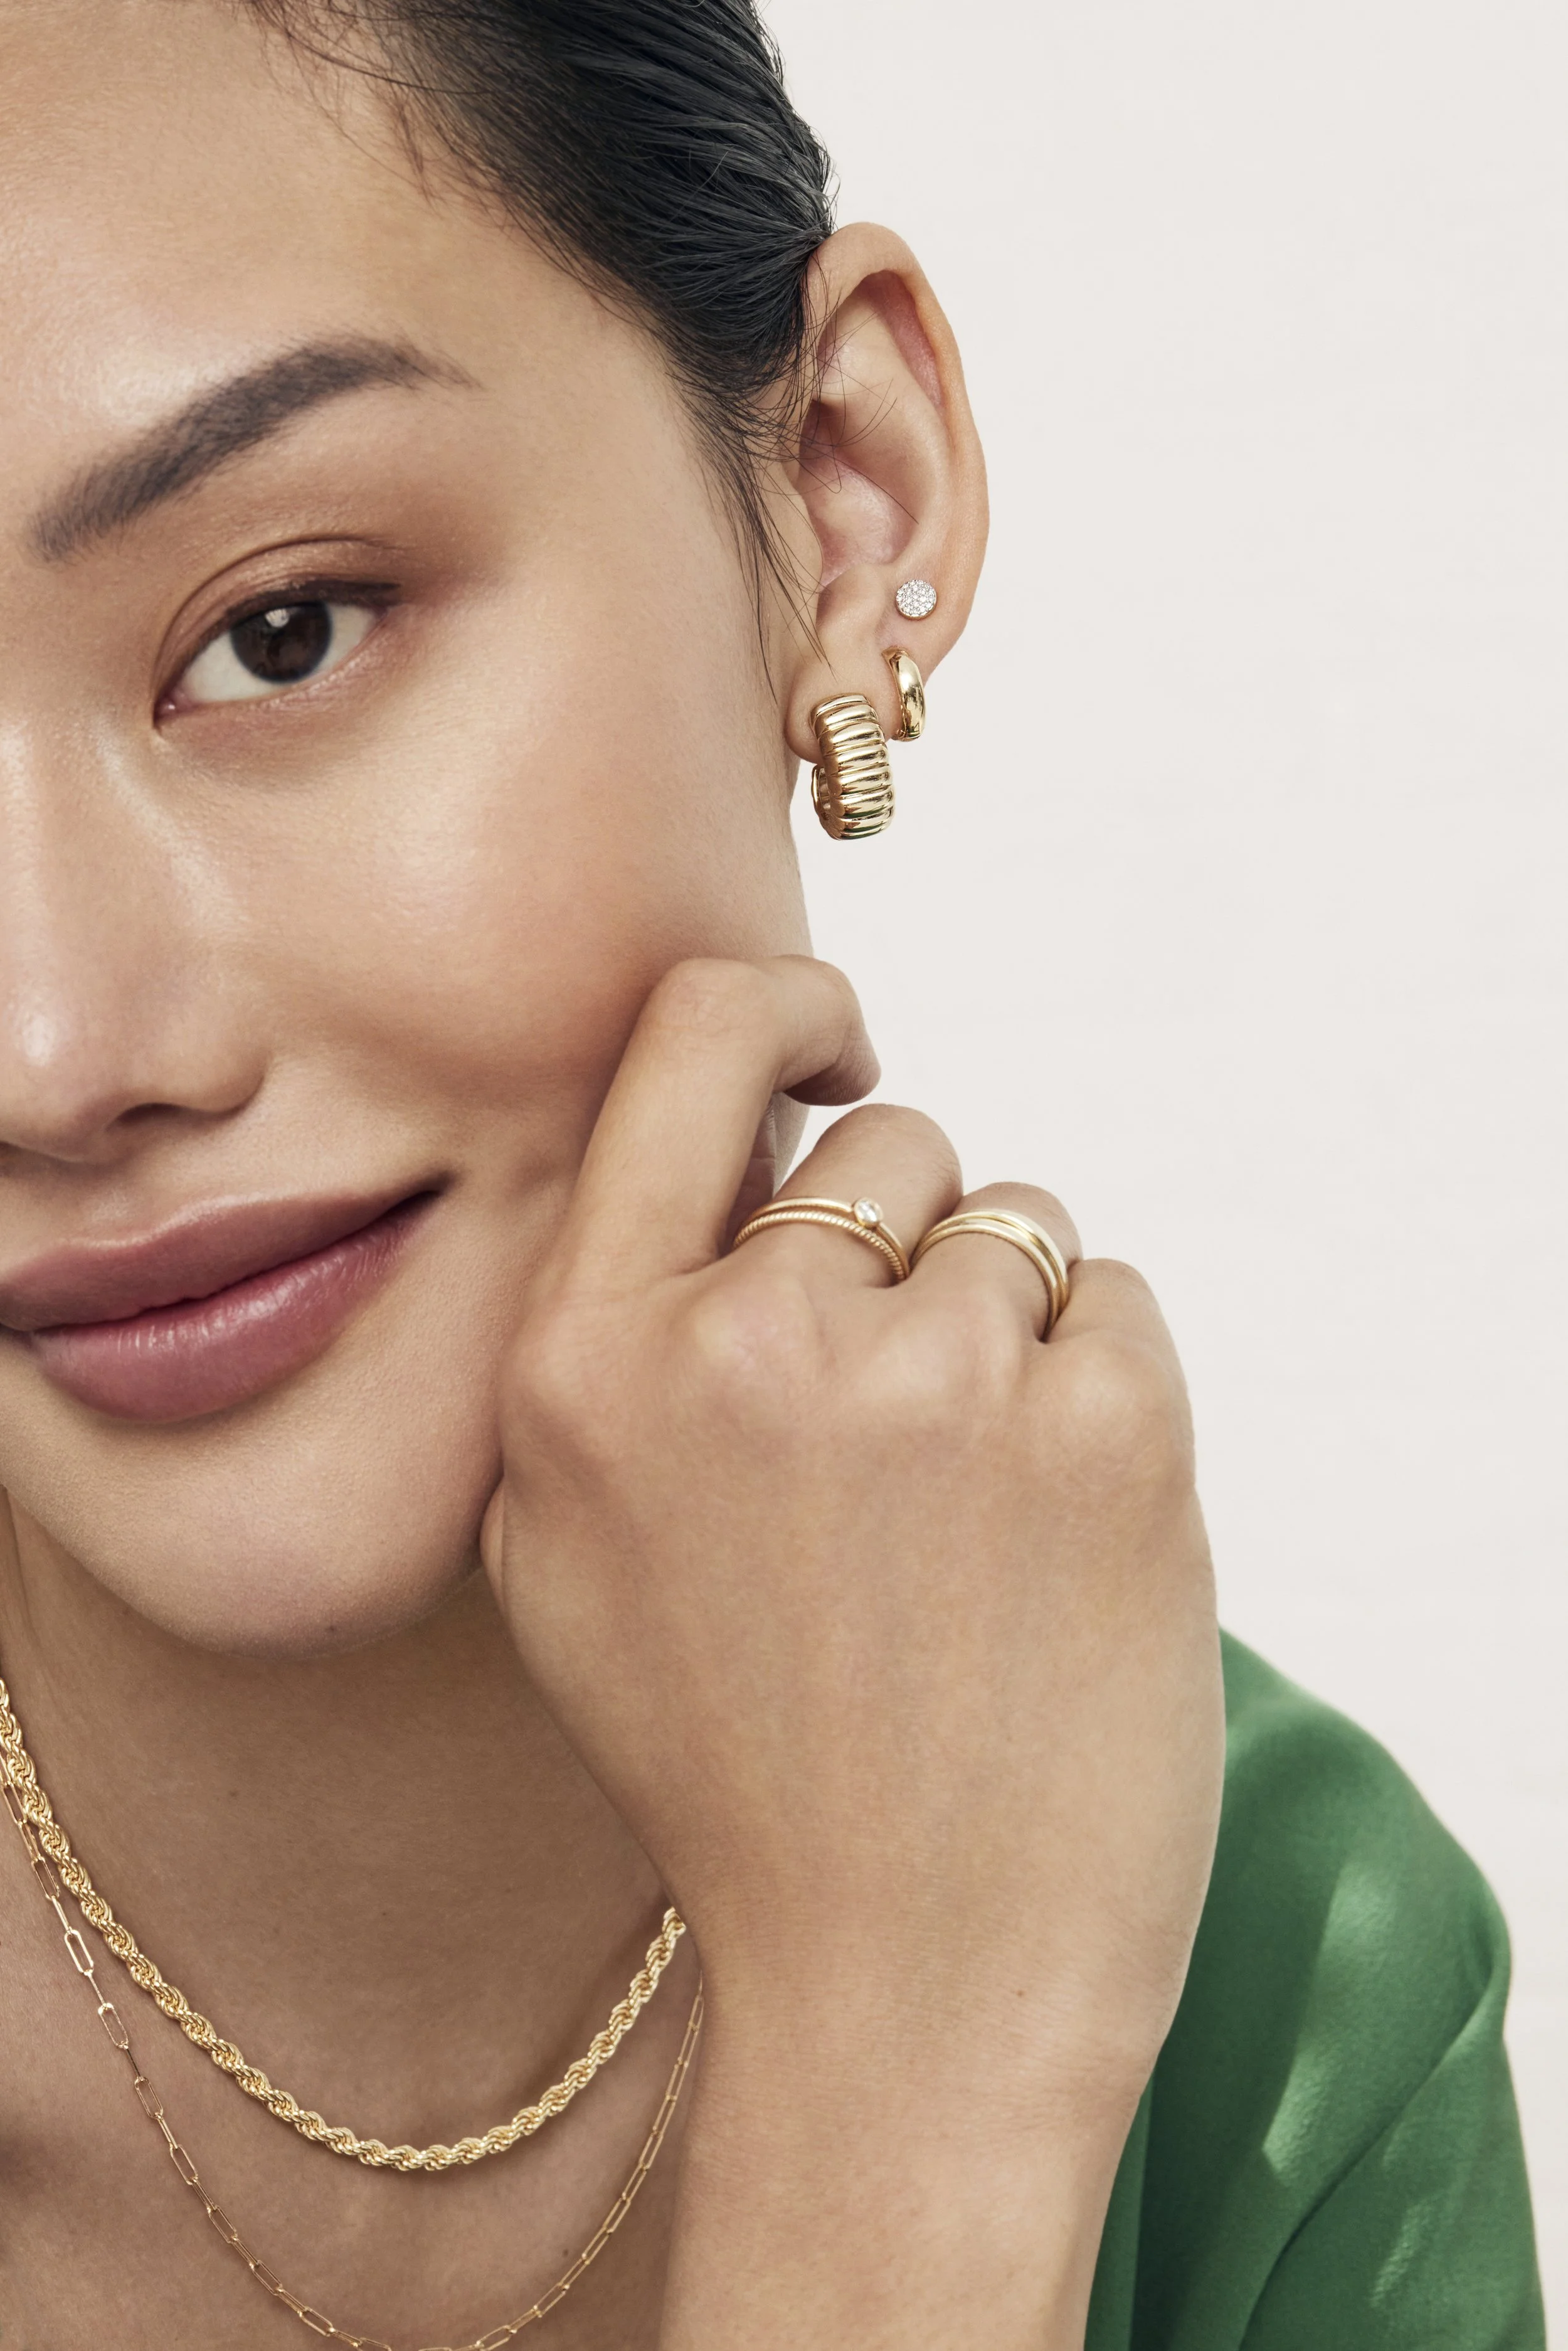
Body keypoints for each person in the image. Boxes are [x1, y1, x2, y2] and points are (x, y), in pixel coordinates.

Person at [0, 3, 1543, 2343]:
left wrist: (920, 2057)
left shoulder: (1284, 1978)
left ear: (842, 499)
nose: (54, 1051)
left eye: (280, 634)